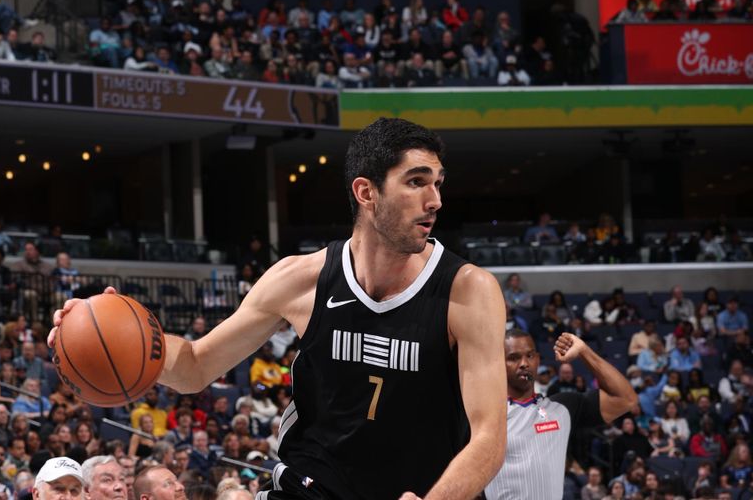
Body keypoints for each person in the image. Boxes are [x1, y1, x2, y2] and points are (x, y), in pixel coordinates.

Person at [52, 117, 508, 500]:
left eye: (437, 183)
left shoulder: (468, 291)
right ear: (367, 193)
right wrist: (124, 336)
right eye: (416, 182)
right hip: (313, 486)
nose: (435, 201)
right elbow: (194, 367)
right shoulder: (300, 279)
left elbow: (489, 436)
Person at [485, 330, 636, 499]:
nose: (524, 363)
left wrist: (584, 351)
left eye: (529, 355)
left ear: (538, 359)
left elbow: (626, 399)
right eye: (513, 357)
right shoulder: (484, 415)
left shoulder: (562, 408)